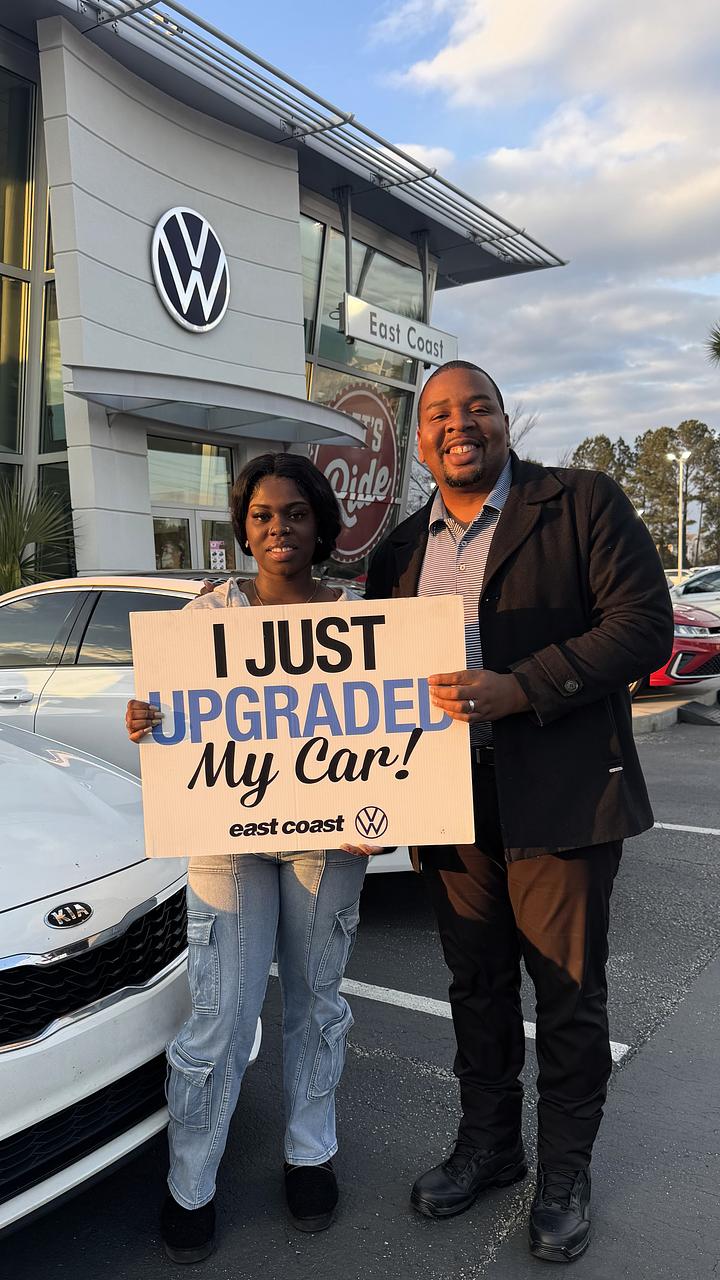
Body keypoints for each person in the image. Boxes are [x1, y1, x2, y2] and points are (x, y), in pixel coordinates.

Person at [365, 360, 673, 1264]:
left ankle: (565, 1174)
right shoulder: (397, 550)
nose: (458, 425)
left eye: (478, 408)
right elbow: (366, 680)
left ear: (505, 420)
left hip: (562, 796)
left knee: (569, 993)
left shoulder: (581, 503)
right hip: (446, 801)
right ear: (421, 442)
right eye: (438, 415)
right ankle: (490, 1147)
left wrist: (522, 686)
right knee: (477, 986)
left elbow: (642, 625)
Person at [126, 453, 373, 1264]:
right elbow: (171, 714)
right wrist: (144, 720)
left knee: (316, 1003)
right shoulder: (206, 616)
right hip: (226, 830)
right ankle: (190, 1182)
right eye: (262, 515)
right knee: (222, 1015)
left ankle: (310, 1153)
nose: (278, 528)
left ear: (321, 522)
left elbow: (392, 729)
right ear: (243, 527)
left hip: (325, 835)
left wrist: (390, 802)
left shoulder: (360, 618)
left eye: (295, 513)